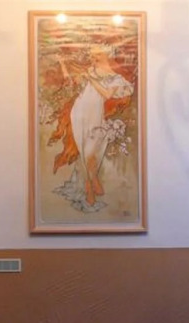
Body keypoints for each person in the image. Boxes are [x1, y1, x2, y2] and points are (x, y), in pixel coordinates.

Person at [48, 44, 135, 209]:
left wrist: (91, 78)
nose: (94, 59)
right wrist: (62, 63)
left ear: (107, 56)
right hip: (79, 112)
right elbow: (70, 81)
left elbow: (106, 94)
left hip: (95, 114)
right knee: (84, 149)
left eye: (98, 55)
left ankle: (91, 181)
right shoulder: (90, 71)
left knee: (92, 151)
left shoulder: (115, 78)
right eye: (93, 56)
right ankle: (90, 184)